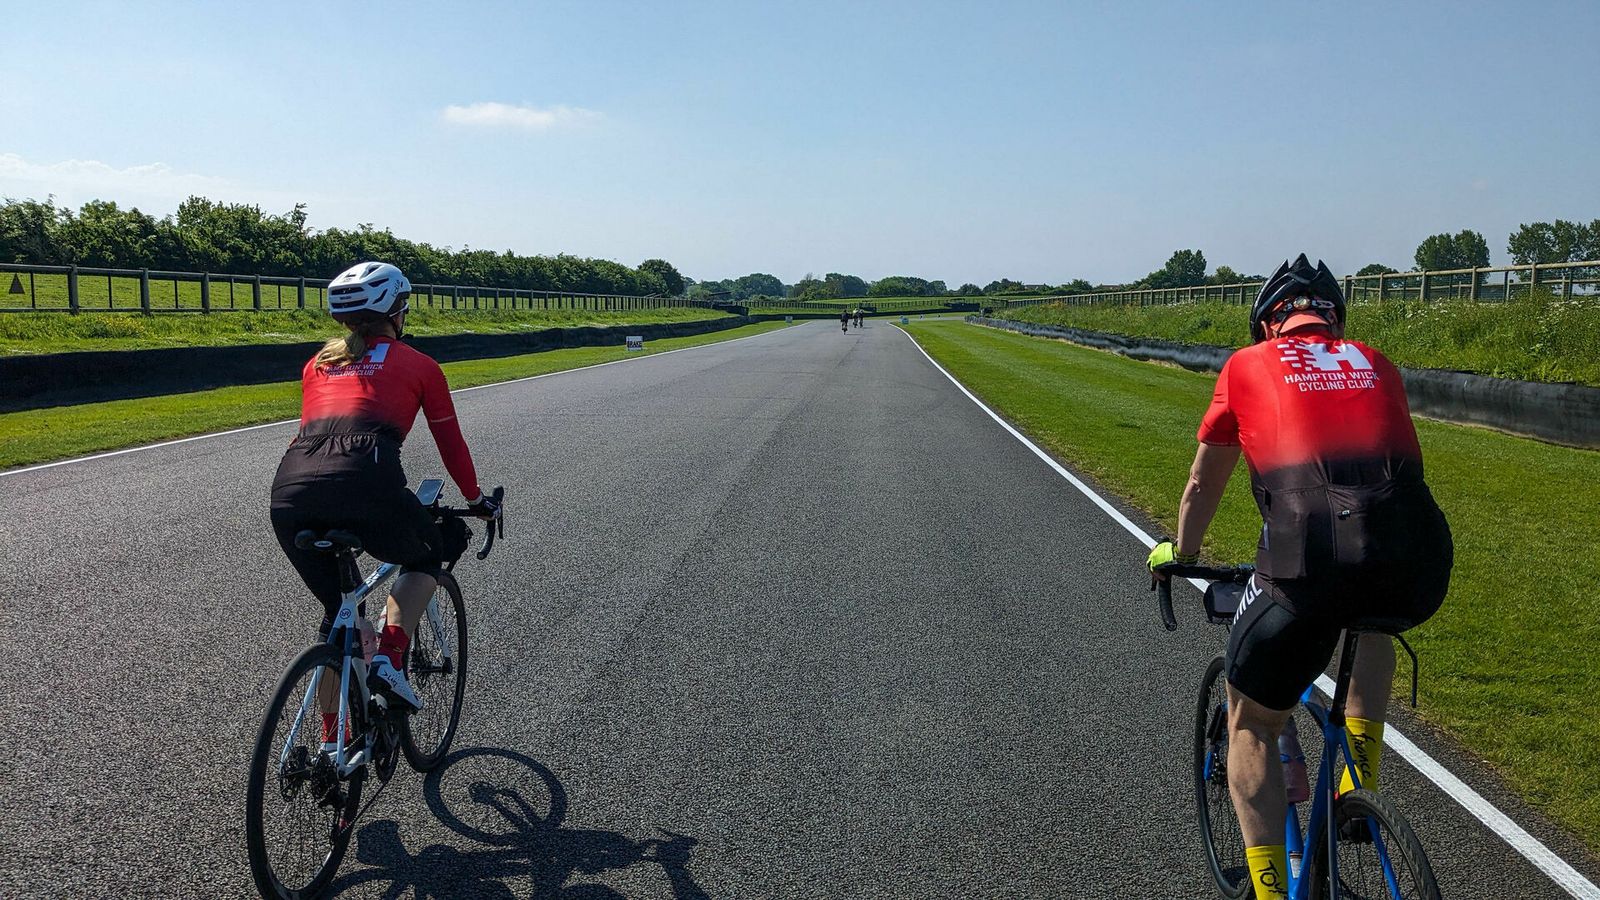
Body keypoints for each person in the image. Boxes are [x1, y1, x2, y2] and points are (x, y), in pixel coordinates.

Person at [1147, 254, 1452, 898]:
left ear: (1267, 324)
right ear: (1335, 321)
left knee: (1252, 722)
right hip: (1418, 558)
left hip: (1307, 559)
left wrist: (1181, 549)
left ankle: (1267, 889)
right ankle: (1357, 782)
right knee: (1372, 622)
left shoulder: (1247, 364)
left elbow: (1203, 481)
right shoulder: (1376, 362)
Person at [270, 261, 498, 748]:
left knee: (339, 616)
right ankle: (391, 659)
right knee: (426, 554)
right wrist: (476, 500)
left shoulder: (318, 364)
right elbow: (450, 445)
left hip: (290, 490)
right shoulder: (419, 365)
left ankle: (332, 744)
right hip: (366, 480)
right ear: (396, 311)